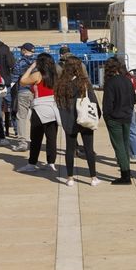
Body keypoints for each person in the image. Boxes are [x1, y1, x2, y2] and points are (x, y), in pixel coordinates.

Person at [55, 55, 101, 186]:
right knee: (89, 149)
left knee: (69, 150)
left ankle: (70, 178)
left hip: (69, 120)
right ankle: (93, 177)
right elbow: (93, 100)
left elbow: (59, 104)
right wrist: (97, 115)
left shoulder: (60, 84)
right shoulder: (84, 82)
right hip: (85, 118)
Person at [20, 53, 60, 172]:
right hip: (53, 106)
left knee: (36, 137)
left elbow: (22, 81)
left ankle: (32, 163)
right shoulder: (56, 75)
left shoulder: (37, 74)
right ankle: (51, 162)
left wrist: (31, 68)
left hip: (39, 107)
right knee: (51, 137)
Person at [102, 58, 136, 186]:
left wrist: (107, 117)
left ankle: (125, 174)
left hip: (115, 118)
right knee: (125, 144)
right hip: (127, 116)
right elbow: (133, 98)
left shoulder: (110, 83)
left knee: (119, 146)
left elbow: (107, 104)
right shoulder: (127, 80)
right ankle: (126, 170)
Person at [10, 43, 37, 146]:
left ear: (25, 50)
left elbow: (14, 78)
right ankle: (35, 139)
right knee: (36, 117)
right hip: (36, 91)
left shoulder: (20, 62)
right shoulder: (39, 61)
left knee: (21, 117)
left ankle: (22, 141)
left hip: (23, 91)